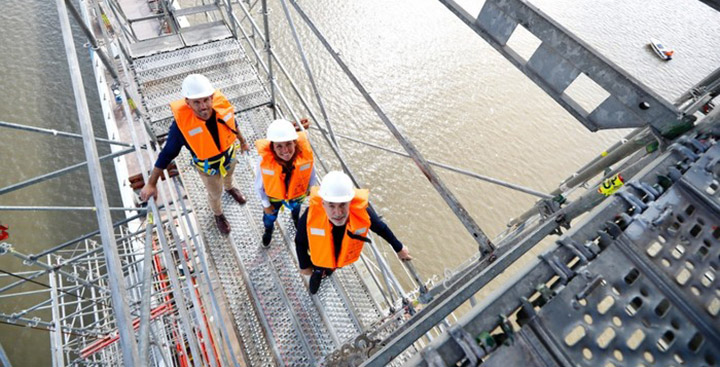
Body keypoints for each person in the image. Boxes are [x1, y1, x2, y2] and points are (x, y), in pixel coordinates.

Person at [140, 74, 250, 234]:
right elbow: (167, 154)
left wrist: (243, 141)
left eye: (206, 100)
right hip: (209, 168)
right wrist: (151, 183)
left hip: (229, 156)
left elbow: (234, 125)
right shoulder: (181, 128)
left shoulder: (222, 109)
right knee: (215, 193)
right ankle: (218, 214)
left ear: (212, 98)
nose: (203, 106)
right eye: (196, 102)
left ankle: (230, 188)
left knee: (229, 176)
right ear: (187, 103)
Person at [295, 171, 412, 294]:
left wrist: (399, 248)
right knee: (318, 272)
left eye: (342, 205)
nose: (338, 212)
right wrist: (304, 266)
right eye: (331, 206)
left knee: (330, 269)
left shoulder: (362, 213)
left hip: (339, 256)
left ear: (350, 202)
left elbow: (381, 228)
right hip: (319, 257)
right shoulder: (310, 215)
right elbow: (300, 241)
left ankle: (328, 270)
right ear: (323, 204)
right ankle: (318, 275)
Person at [254, 119, 318, 247]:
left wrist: (314, 194)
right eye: (279, 146)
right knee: (269, 217)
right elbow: (259, 186)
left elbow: (312, 176)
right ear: (272, 147)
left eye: (289, 144)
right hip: (274, 198)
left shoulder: (304, 156)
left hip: (296, 195)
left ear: (295, 143)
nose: (285, 150)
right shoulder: (264, 161)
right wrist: (266, 204)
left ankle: (295, 219)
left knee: (296, 209)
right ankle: (268, 229)